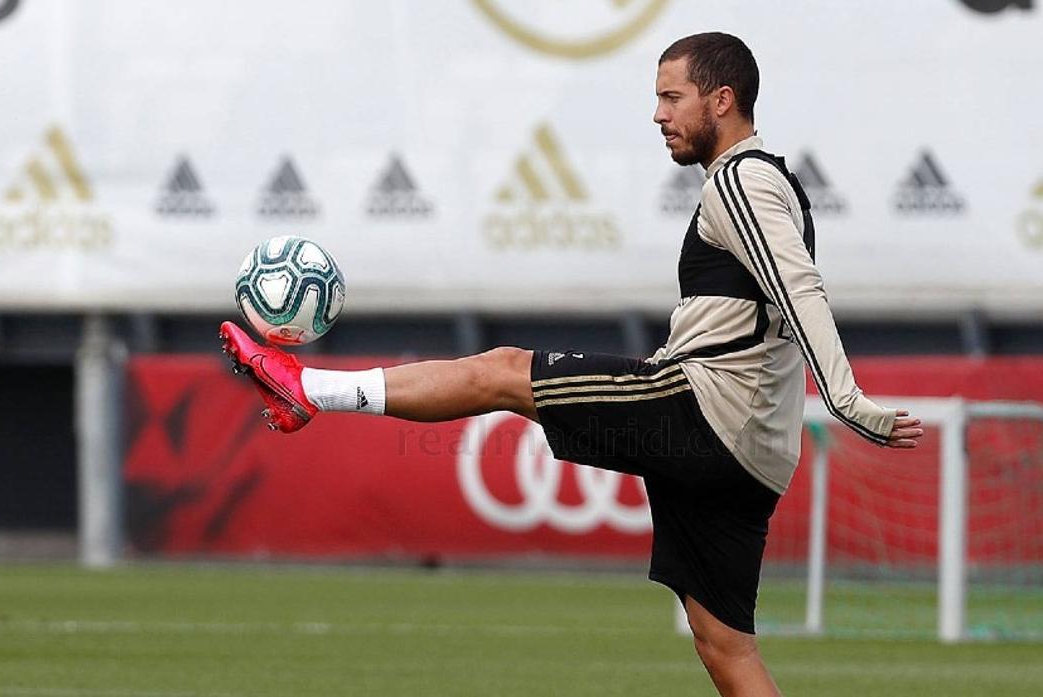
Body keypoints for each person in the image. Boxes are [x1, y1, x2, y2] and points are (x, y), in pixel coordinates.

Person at [219, 31, 923, 697]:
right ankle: (305, 388)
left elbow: (798, 286)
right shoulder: (765, 183)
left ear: (722, 100)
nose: (657, 114)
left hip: (706, 414)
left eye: (671, 97)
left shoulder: (740, 180)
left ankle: (306, 385)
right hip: (754, 451)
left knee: (501, 370)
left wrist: (846, 396)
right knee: (725, 645)